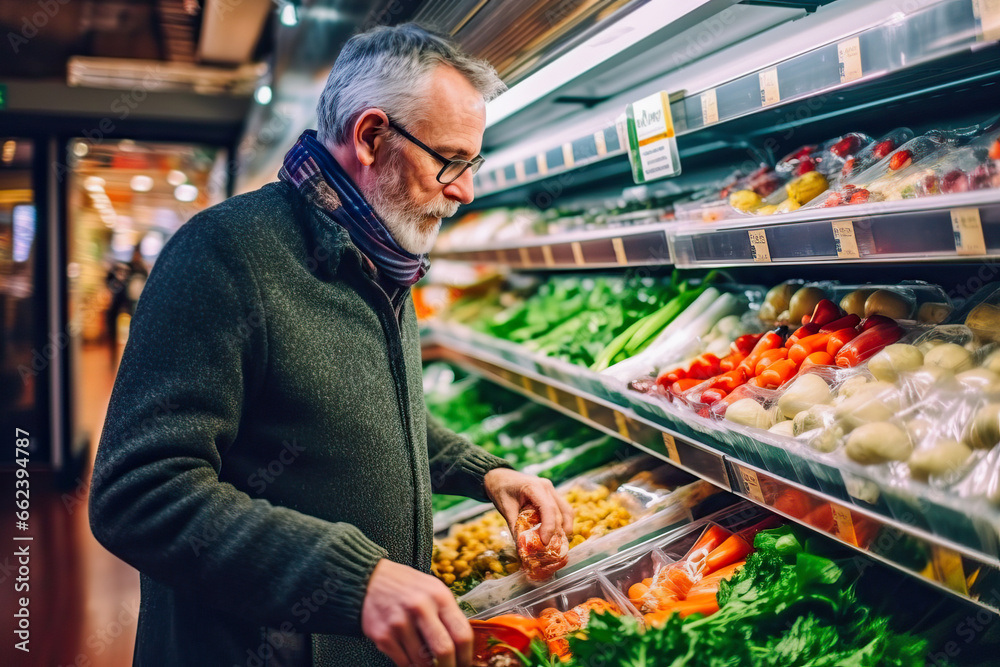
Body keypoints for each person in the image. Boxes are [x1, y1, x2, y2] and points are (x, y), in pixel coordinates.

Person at [88, 23, 574, 667]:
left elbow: (364, 416)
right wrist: (352, 578)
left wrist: (486, 473)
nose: (465, 190)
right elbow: (138, 492)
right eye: (451, 161)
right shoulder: (225, 255)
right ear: (372, 138)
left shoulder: (383, 259)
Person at [104, 244, 147, 366]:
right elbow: (111, 280)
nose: (136, 256)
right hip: (121, 302)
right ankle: (112, 357)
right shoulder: (126, 267)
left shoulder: (141, 269)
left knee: (136, 331)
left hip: (133, 304)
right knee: (113, 326)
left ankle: (134, 357)